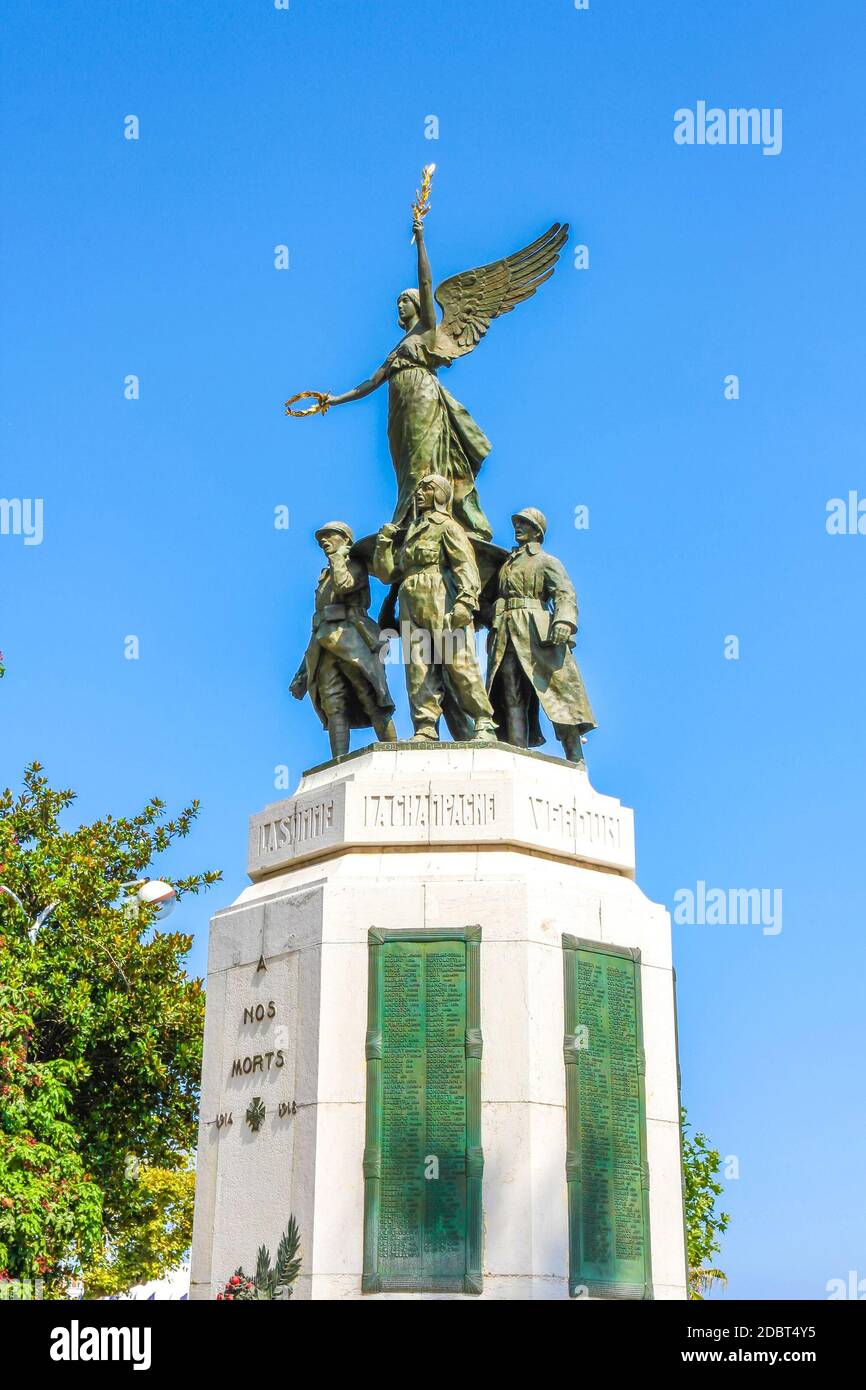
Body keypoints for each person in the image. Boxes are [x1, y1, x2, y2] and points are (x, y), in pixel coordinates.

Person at [372, 474, 498, 744]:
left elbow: (465, 566)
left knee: (458, 661)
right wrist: (383, 543)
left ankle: (483, 721)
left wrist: (466, 602)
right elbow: (388, 574)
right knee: (418, 666)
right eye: (418, 488)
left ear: (440, 494)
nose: (419, 493)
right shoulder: (411, 532)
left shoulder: (448, 527)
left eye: (426, 488)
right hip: (411, 598)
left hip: (441, 597)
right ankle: (426, 725)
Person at [487, 507, 596, 765]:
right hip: (507, 632)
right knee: (510, 693)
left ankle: (575, 757)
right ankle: (517, 752)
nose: (518, 527)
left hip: (539, 633)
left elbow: (565, 594)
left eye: (524, 523)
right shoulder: (506, 563)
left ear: (537, 530)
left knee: (559, 693)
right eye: (517, 523)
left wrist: (565, 621)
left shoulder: (546, 561)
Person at [290, 521, 397, 758]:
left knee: (371, 696)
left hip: (354, 638)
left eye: (329, 537)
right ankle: (338, 761)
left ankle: (394, 755)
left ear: (346, 540)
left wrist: (339, 559)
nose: (324, 543)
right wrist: (302, 673)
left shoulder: (353, 565)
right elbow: (318, 625)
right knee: (333, 704)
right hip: (325, 644)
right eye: (321, 541)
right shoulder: (325, 576)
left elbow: (344, 585)